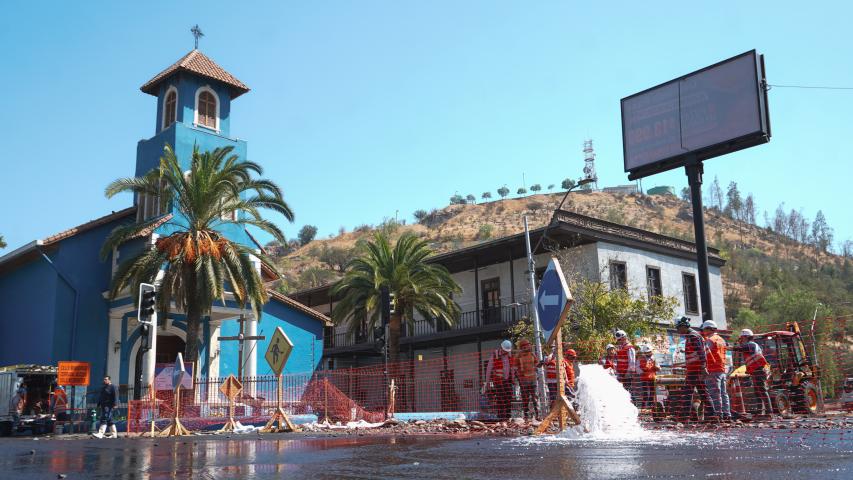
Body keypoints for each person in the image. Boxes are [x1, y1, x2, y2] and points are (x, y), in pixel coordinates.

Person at [674, 317, 712, 423]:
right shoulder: (691, 336)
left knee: (687, 392)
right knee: (703, 393)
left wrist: (703, 367)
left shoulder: (693, 336)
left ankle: (684, 417)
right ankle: (712, 416)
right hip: (694, 369)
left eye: (678, 328)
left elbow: (701, 352)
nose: (678, 331)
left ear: (683, 326)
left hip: (696, 370)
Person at [731, 328, 773, 419]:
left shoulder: (751, 345)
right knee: (758, 391)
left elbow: (739, 348)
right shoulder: (752, 345)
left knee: (762, 391)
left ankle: (769, 412)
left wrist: (729, 347)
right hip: (756, 371)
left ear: (746, 337)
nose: (741, 340)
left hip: (758, 370)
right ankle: (760, 412)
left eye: (741, 338)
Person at [701, 320, 732, 422]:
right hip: (722, 369)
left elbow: (704, 354)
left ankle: (718, 414)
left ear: (709, 329)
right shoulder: (721, 339)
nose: (703, 331)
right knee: (723, 393)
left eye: (705, 329)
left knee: (715, 392)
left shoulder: (710, 340)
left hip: (712, 369)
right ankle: (727, 414)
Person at [483, 340, 515, 421]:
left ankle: (508, 417)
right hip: (498, 381)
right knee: (500, 399)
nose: (506, 352)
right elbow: (489, 369)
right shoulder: (495, 355)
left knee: (509, 398)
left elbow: (512, 368)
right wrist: (487, 383)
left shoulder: (510, 355)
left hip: (508, 380)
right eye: (505, 350)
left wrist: (513, 378)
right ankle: (500, 417)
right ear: (501, 348)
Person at [513, 338, 539, 420]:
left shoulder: (532, 354)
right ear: (522, 347)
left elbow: (537, 363)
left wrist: (540, 364)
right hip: (523, 381)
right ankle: (526, 416)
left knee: (535, 397)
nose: (528, 347)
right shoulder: (518, 356)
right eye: (525, 346)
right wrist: (518, 378)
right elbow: (515, 368)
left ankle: (538, 415)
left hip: (533, 380)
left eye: (528, 345)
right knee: (525, 399)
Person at [614, 330, 637, 401]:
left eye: (619, 339)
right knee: (623, 390)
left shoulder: (629, 348)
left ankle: (633, 405)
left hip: (627, 374)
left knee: (628, 390)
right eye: (618, 340)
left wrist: (629, 372)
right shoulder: (621, 347)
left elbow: (632, 361)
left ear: (624, 338)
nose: (618, 341)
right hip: (621, 373)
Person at [638, 345, 660, 410]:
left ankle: (651, 406)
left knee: (652, 392)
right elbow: (637, 368)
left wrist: (656, 368)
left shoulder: (654, 359)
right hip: (644, 379)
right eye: (647, 352)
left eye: (650, 352)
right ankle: (643, 407)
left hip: (652, 378)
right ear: (644, 353)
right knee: (645, 393)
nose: (649, 353)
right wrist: (643, 371)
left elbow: (659, 367)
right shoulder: (641, 359)